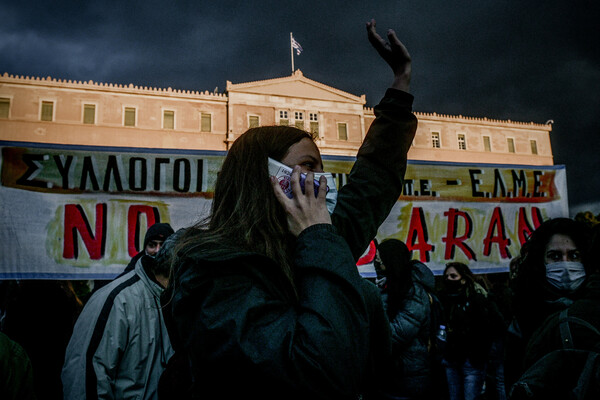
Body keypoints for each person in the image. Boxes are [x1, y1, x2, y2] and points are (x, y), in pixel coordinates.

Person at [161, 19, 417, 399]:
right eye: (308, 167)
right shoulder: (213, 273)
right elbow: (316, 372)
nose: (322, 180)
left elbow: (371, 183)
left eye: (321, 167)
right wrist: (318, 236)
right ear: (266, 178)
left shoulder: (318, 241)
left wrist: (400, 85)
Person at [62, 226, 175, 399]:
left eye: (164, 245)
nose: (158, 251)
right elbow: (86, 375)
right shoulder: (117, 300)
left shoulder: (179, 300)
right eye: (153, 244)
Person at [505, 218, 592, 388]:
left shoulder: (595, 309)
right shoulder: (524, 315)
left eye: (574, 255)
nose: (565, 264)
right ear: (541, 260)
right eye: (555, 256)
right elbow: (514, 376)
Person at [376, 238, 437, 399]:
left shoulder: (414, 293)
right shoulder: (387, 288)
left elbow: (397, 334)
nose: (376, 261)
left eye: (379, 258)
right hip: (392, 373)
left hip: (409, 375)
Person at [439, 262, 501, 400]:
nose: (449, 279)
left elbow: (487, 328)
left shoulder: (477, 299)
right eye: (447, 276)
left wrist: (479, 355)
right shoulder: (444, 300)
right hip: (451, 359)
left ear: (463, 279)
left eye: (453, 276)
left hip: (471, 361)